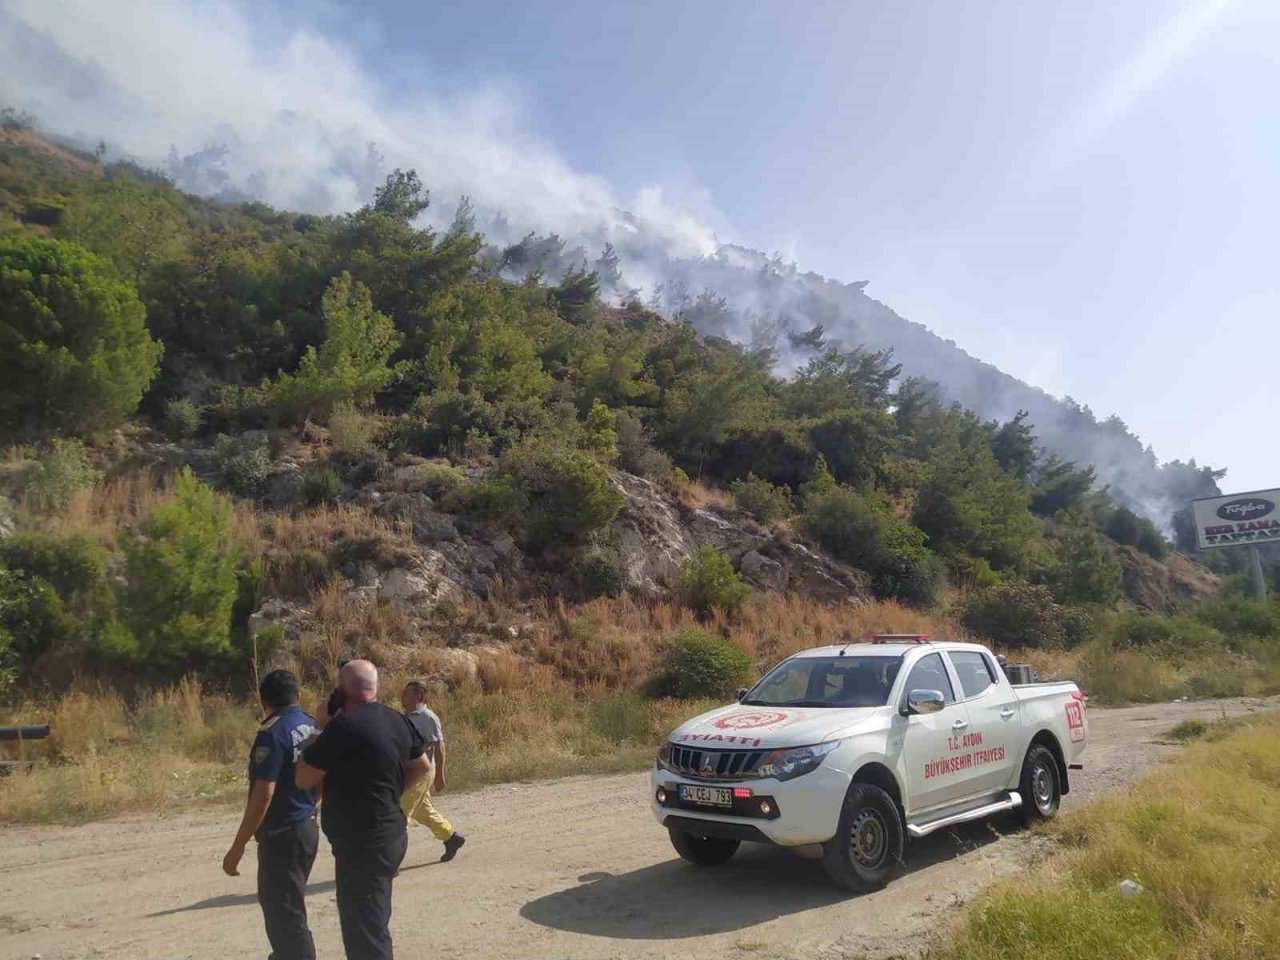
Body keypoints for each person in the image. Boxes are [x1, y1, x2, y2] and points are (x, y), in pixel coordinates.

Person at [297, 660, 429, 960]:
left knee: (365, 934)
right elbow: (422, 766)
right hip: (390, 834)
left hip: (363, 844)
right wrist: (391, 790)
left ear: (340, 691)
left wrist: (319, 728)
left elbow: (304, 777)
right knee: (374, 920)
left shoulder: (342, 727)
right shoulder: (397, 719)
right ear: (376, 687)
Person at [222, 669, 319, 960]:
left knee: (285, 915)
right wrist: (310, 807)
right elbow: (322, 775)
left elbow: (264, 793)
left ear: (262, 701)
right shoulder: (312, 726)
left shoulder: (272, 733)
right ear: (298, 696)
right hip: (305, 827)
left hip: (282, 835)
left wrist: (237, 847)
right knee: (289, 907)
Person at [399, 680, 466, 862]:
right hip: (409, 772)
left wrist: (440, 776)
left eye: (406, 694)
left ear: (419, 696)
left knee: (399, 814)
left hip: (421, 773)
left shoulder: (428, 718)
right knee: (423, 811)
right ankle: (451, 838)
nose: (402, 697)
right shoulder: (404, 717)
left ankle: (390, 860)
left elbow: (439, 747)